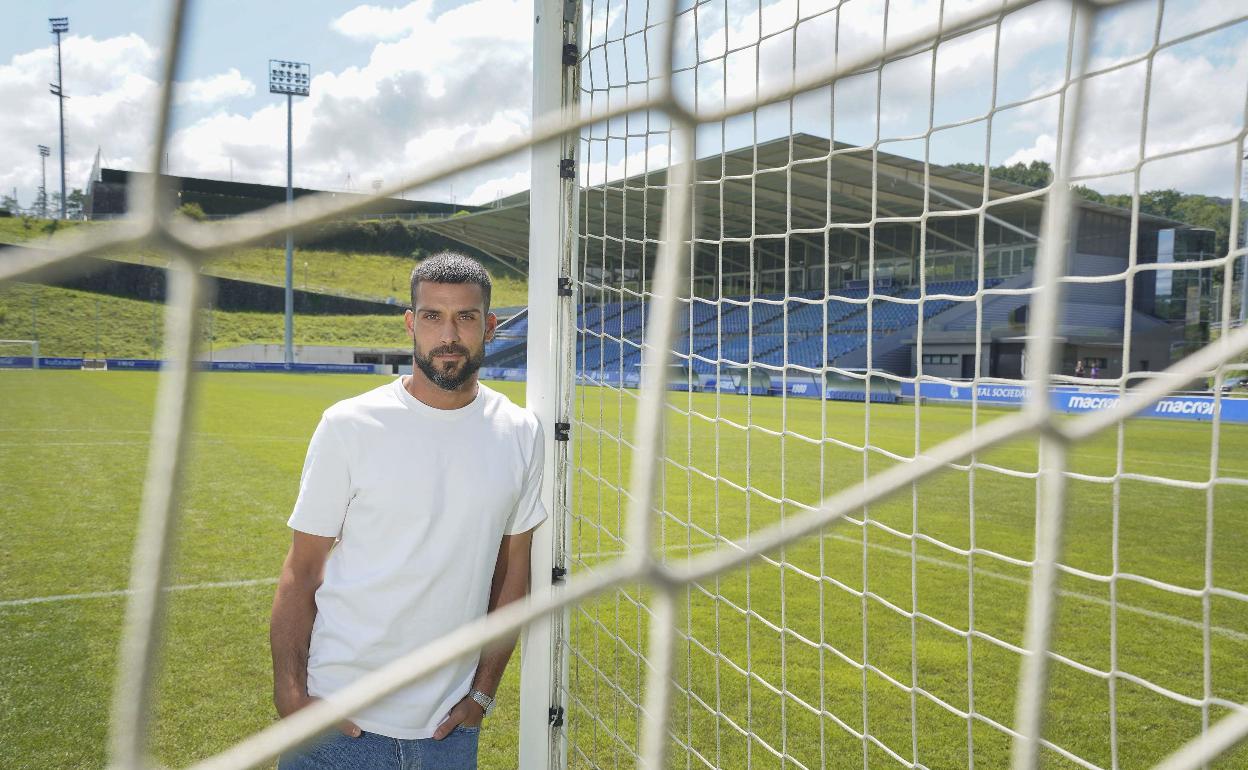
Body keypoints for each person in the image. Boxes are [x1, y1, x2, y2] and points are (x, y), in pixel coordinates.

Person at [270, 252, 546, 769]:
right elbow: (301, 571)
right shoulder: (349, 425)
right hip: (337, 727)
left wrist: (482, 694)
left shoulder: (521, 433)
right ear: (410, 324)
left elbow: (512, 577)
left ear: (489, 326)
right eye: (432, 316)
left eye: (465, 317)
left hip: (448, 734)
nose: (449, 335)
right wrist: (290, 692)